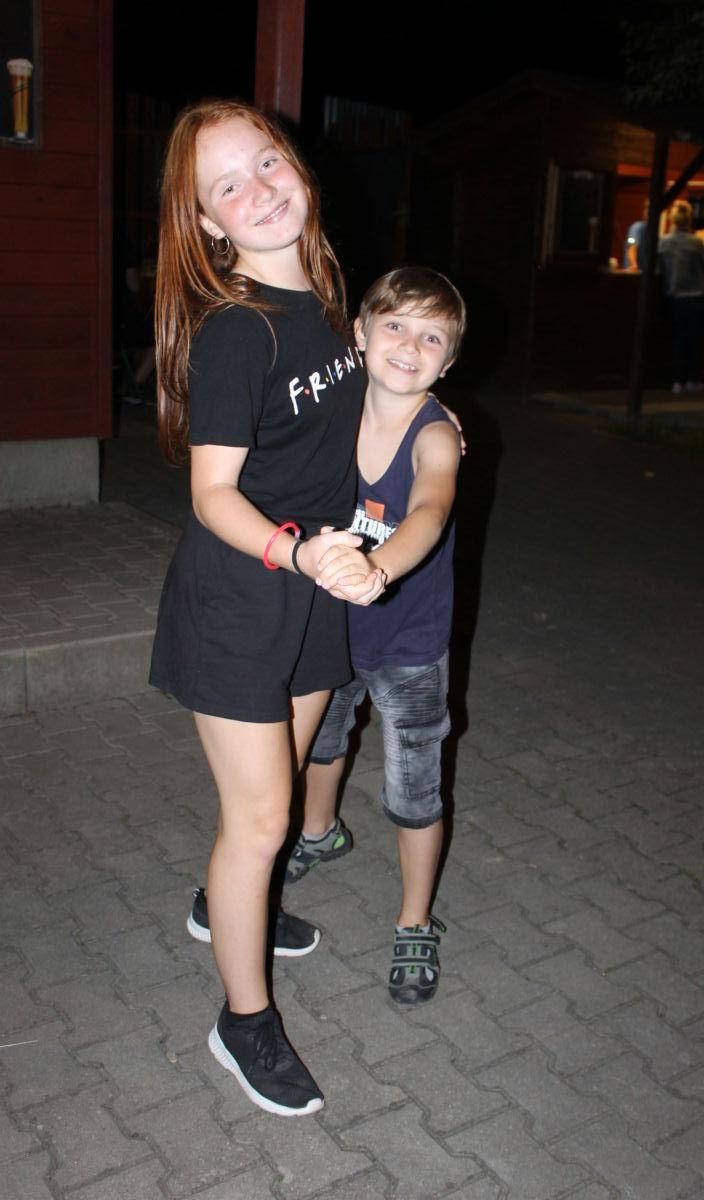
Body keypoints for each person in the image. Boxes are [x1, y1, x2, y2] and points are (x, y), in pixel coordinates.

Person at [149, 98, 386, 1117]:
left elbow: (352, 413)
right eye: (227, 186)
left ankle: (223, 906)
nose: (258, 190)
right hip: (245, 593)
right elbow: (211, 495)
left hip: (311, 582)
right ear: (206, 222)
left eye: (267, 162)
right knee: (262, 821)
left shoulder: (328, 298)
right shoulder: (239, 331)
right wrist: (298, 551)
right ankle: (242, 1022)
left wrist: (426, 421)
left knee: (274, 791)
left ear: (297, 166)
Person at [284, 265, 465, 1006]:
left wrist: (378, 568)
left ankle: (415, 918)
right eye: (394, 326)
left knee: (414, 784)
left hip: (409, 644)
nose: (410, 346)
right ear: (358, 334)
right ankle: (319, 832)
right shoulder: (333, 407)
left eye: (432, 338)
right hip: (330, 628)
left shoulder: (437, 435)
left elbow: (430, 508)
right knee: (322, 743)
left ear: (448, 361)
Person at [659, 199, 704, 394]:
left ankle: (678, 381)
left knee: (678, 339)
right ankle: (693, 379)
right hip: (696, 295)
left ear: (672, 219)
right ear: (689, 219)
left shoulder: (664, 242)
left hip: (675, 295)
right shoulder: (697, 242)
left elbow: (660, 268)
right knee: (695, 339)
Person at [623, 200, 649, 272]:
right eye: (647, 208)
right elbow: (632, 246)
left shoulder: (651, 230)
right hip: (633, 273)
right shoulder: (636, 228)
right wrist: (634, 265)